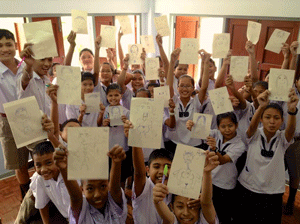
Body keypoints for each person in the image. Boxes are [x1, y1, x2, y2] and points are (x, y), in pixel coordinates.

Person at [235, 89, 298, 224]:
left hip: (273, 191)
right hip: (248, 187)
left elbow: (291, 131)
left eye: (276, 118)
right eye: (267, 117)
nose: (272, 122)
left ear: (281, 121)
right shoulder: (254, 134)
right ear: (261, 119)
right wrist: (262, 106)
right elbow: (251, 126)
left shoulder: (282, 138)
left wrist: (292, 111)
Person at [187, 112, 246, 223]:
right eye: (223, 126)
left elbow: (222, 160)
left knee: (222, 214)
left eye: (230, 125)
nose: (227, 129)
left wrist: (214, 148)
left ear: (236, 125)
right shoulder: (215, 134)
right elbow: (198, 131)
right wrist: (191, 125)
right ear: (218, 127)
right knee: (205, 211)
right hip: (209, 180)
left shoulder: (240, 145)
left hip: (225, 185)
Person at [54, 144, 128, 223]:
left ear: (108, 185)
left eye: (103, 186)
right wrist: (64, 169)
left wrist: (116, 163)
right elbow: (75, 196)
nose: (97, 194)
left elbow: (115, 189)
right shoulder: (81, 208)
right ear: (82, 189)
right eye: (90, 188)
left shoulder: (113, 202)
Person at [0, 29, 31, 198]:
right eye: (0, 46)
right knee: (19, 165)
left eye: (8, 44)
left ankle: (45, 194)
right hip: (8, 121)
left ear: (16, 46)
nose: (5, 49)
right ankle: (27, 199)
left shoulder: (24, 64)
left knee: (41, 157)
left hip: (30, 116)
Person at [152, 150, 220, 224]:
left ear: (200, 209)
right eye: (180, 206)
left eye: (191, 207)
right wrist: (157, 201)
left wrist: (207, 172)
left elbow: (206, 202)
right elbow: (166, 216)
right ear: (172, 208)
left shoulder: (204, 221)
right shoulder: (173, 221)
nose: (186, 213)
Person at [164, 48, 209, 153]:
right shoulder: (174, 100)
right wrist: (172, 61)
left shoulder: (196, 101)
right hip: (175, 142)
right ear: (178, 88)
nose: (185, 89)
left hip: (195, 143)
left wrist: (205, 63)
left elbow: (204, 87)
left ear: (193, 88)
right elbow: (169, 86)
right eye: (182, 86)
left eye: (188, 86)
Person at [18, 43, 52, 117]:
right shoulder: (28, 79)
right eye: (42, 59)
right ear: (32, 59)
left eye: (50, 60)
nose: (47, 64)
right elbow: (26, 78)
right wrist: (29, 65)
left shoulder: (47, 81)